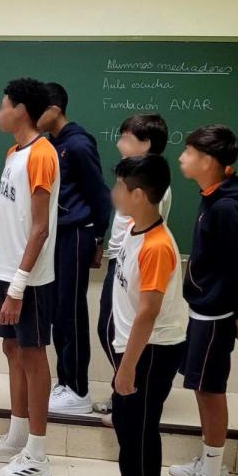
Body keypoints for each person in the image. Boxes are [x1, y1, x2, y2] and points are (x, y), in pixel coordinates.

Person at [165, 125, 238, 476]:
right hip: (207, 308)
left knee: (210, 389)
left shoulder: (226, 207)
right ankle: (209, 463)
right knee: (202, 386)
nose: (181, 158)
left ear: (208, 161)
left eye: (187, 153)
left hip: (217, 312)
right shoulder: (214, 197)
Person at [0, 78, 60, 476]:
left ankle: (38, 456)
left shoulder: (42, 155)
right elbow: (7, 222)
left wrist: (19, 286)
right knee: (12, 349)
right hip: (7, 271)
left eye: (3, 104)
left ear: (21, 110)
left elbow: (39, 229)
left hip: (32, 280)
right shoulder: (13, 153)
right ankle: (18, 437)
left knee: (33, 354)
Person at [96, 155, 187, 476]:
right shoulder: (136, 230)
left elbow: (148, 312)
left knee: (141, 426)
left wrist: (128, 366)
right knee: (126, 419)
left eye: (120, 186)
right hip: (134, 348)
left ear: (138, 194)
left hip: (152, 350)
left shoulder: (157, 246)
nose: (114, 192)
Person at [37, 82, 112, 415]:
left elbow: (99, 195)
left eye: (38, 110)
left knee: (71, 310)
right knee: (58, 313)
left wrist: (99, 239)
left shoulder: (78, 144)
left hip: (77, 234)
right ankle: (65, 382)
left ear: (54, 109)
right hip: (57, 235)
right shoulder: (52, 145)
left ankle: (78, 388)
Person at [94, 114, 172, 419]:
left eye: (126, 137)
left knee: (114, 330)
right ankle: (123, 389)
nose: (119, 143)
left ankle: (126, 390)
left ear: (146, 144)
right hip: (119, 259)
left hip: (130, 265)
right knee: (109, 330)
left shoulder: (151, 184)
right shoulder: (131, 177)